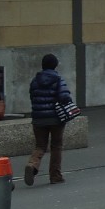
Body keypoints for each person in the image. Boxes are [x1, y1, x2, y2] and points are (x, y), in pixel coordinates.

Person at [25, 53, 72, 186]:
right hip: (56, 119)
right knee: (56, 146)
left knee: (40, 146)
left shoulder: (35, 81)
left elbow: (32, 97)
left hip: (38, 119)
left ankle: (32, 164)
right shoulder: (58, 79)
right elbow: (64, 98)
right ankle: (55, 176)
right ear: (55, 65)